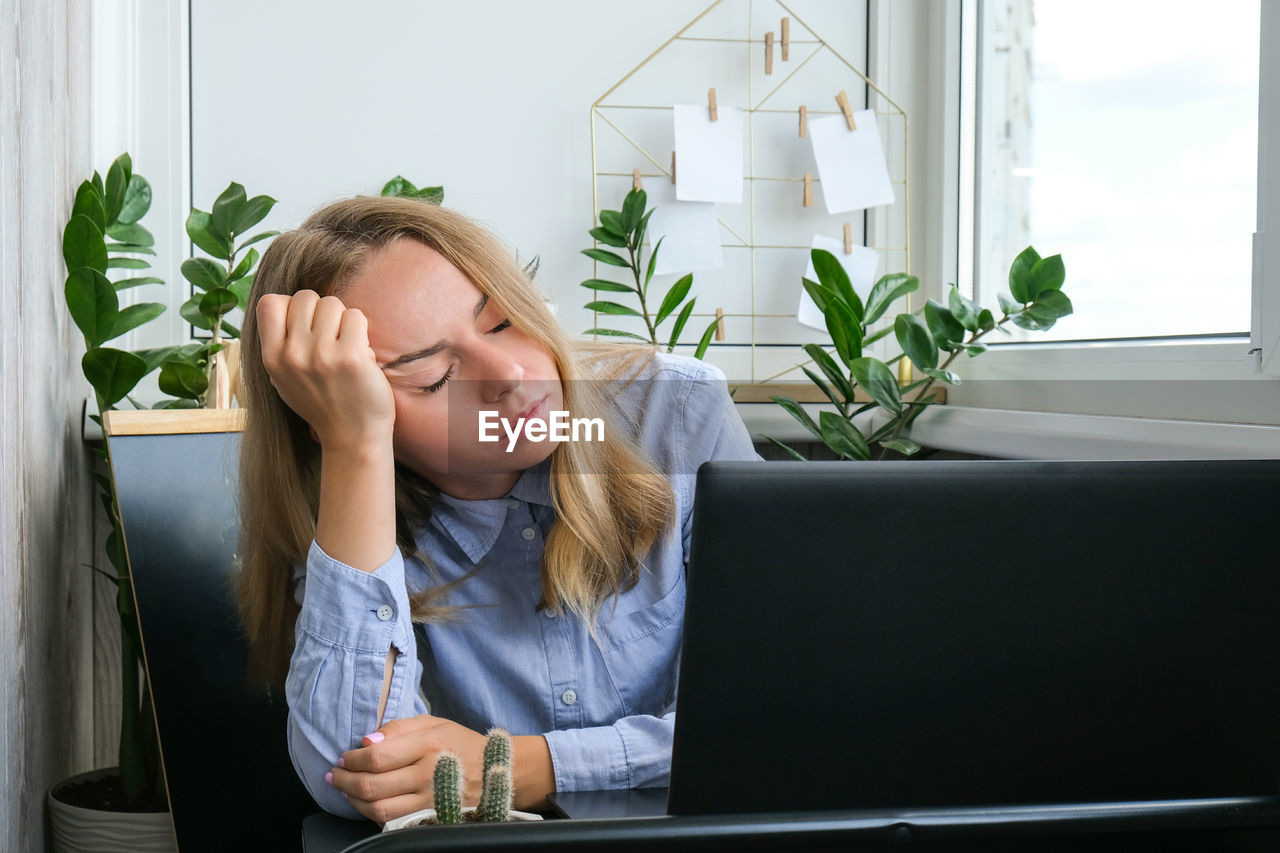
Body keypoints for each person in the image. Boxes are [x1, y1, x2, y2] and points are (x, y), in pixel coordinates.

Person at [236, 195, 763, 824]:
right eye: (433, 377)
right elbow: (354, 774)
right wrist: (355, 445)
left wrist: (523, 766)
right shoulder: (349, 496)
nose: (512, 373)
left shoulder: (673, 416)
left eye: (503, 322)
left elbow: (781, 709)